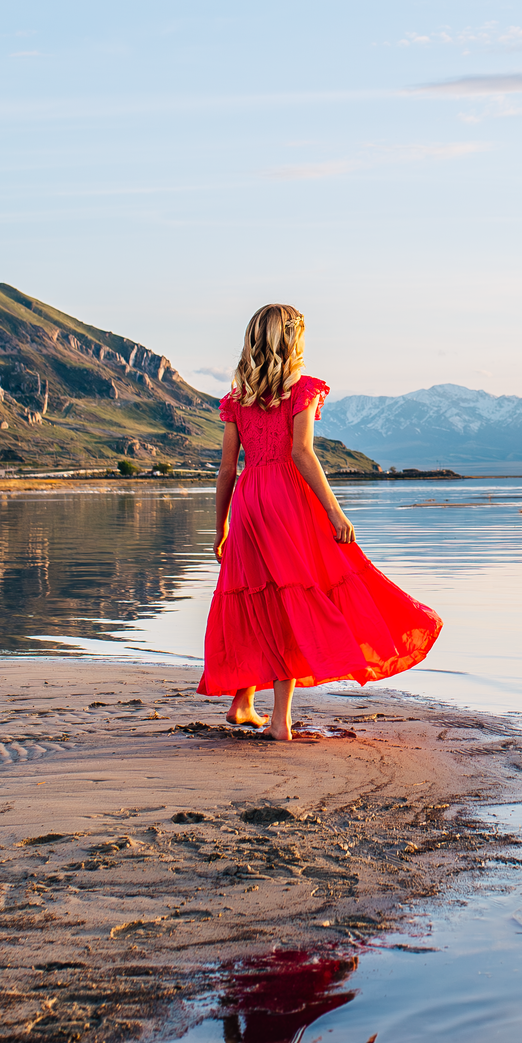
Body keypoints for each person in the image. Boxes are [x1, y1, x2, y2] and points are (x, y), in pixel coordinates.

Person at [200, 303, 442, 740]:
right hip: (286, 499)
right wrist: (335, 511)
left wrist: (221, 528)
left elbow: (225, 470)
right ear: (293, 340)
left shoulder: (237, 400)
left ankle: (243, 700)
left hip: (250, 500)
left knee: (256, 595)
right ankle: (280, 721)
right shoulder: (303, 389)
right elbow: (301, 453)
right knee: (295, 598)